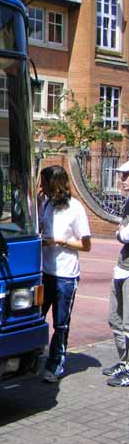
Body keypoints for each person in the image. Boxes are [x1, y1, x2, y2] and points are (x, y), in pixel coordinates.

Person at [39, 165, 92, 383]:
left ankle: (55, 363)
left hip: (65, 275)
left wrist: (59, 241)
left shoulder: (75, 208)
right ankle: (34, 357)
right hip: (46, 271)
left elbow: (86, 244)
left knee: (61, 323)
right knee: (36, 317)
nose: (41, 186)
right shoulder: (46, 204)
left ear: (55, 184)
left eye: (44, 182)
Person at [105, 160, 129, 387]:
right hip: (122, 267)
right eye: (122, 176)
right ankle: (123, 362)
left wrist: (121, 233)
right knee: (114, 317)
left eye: (128, 176)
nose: (124, 181)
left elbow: (125, 235)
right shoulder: (128, 202)